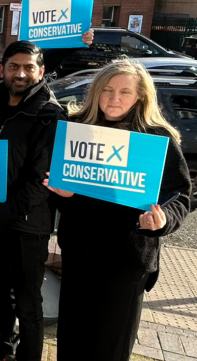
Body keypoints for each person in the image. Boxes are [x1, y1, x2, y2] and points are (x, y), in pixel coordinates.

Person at [44, 59, 191, 361]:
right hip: (80, 255)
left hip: (126, 261)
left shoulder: (157, 137)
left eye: (125, 92)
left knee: (110, 345)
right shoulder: (79, 131)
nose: (114, 98)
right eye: (107, 90)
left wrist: (163, 220)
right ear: (96, 92)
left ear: (140, 96)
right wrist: (65, 194)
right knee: (72, 339)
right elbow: (63, 196)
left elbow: (180, 194)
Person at [0, 41, 66, 361]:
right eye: (14, 66)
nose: (20, 73)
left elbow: (42, 182)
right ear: (2, 69)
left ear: (40, 71)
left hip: (28, 225)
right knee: (0, 292)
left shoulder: (50, 113)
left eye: (28, 67)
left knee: (27, 301)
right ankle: (4, 347)